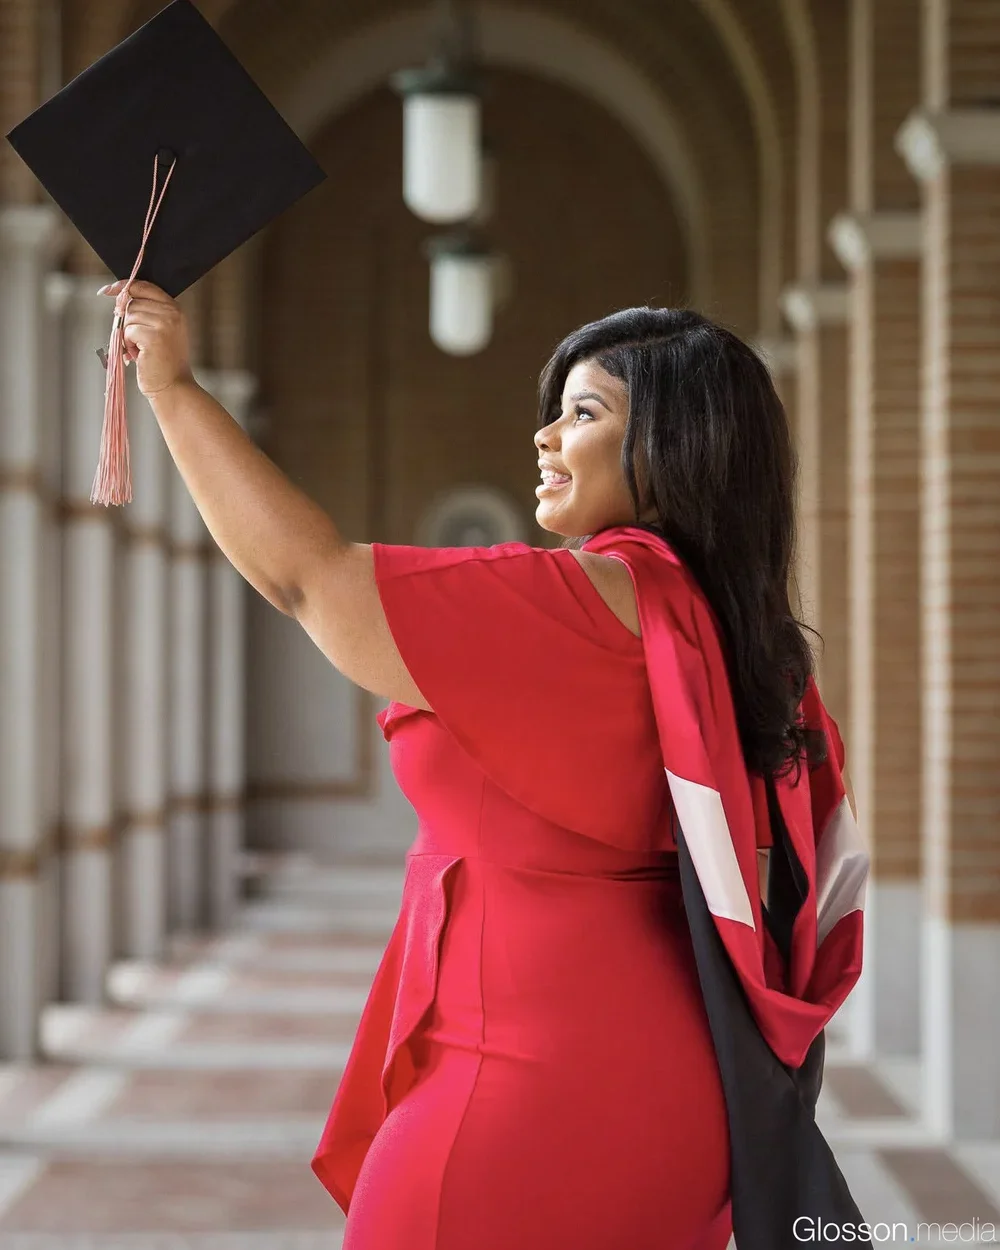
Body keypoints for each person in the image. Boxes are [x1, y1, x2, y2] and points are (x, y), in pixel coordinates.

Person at [98, 284, 860, 1249]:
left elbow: (309, 579)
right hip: (678, 1082)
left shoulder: (597, 598)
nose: (545, 436)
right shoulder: (738, 633)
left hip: (524, 1077)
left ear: (678, 449)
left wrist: (172, 388)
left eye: (585, 413)